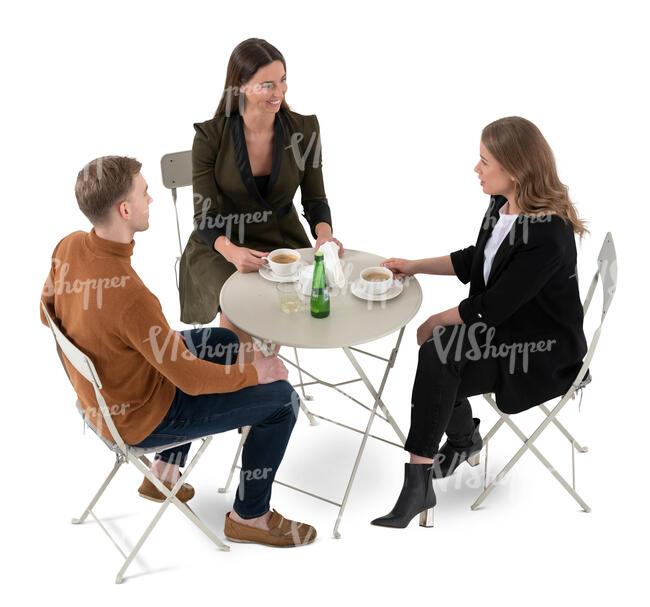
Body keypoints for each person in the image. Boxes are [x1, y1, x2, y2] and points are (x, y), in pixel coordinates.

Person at [39, 156, 316, 547]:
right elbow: (192, 381)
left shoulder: (67, 246)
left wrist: (118, 345)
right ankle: (250, 516)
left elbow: (44, 312)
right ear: (124, 209)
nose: (150, 199)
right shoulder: (131, 296)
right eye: (144, 192)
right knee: (282, 402)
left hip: (100, 403)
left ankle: (163, 476)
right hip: (140, 418)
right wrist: (258, 373)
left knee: (224, 342)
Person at [372, 116, 589, 528]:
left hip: (539, 350)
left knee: (440, 349)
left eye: (484, 161)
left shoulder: (548, 233)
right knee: (442, 356)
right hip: (505, 329)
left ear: (516, 168)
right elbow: (477, 259)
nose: (477, 169)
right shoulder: (502, 205)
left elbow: (495, 305)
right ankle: (448, 452)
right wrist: (413, 265)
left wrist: (437, 319)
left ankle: (426, 474)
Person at [178, 38, 343, 362]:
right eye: (267, 84)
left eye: (282, 80)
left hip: (281, 238)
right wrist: (231, 251)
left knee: (284, 300)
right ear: (240, 87)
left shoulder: (303, 130)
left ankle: (258, 384)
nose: (279, 92)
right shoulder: (210, 137)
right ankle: (246, 387)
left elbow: (315, 198)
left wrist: (324, 235)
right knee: (239, 308)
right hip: (222, 244)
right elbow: (205, 218)